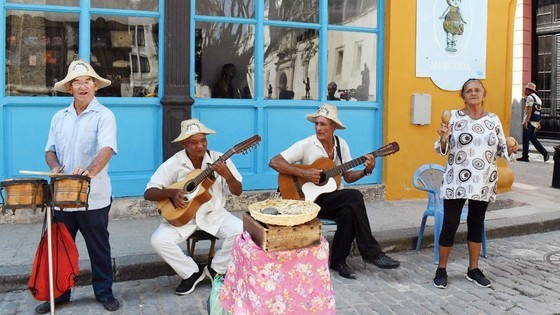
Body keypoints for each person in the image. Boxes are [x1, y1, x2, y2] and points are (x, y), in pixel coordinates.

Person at [269, 103, 400, 280]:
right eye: (316, 123)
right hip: (308, 201)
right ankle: (371, 253)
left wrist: (366, 170)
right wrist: (304, 173)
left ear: (334, 127)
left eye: (323, 124)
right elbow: (275, 162)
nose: (318, 128)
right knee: (354, 197)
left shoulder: (341, 145)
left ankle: (338, 261)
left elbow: (348, 177)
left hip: (332, 198)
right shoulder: (306, 144)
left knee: (348, 211)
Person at [38, 60, 119, 313]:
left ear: (95, 86)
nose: (82, 86)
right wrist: (54, 167)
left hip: (93, 196)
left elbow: (106, 149)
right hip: (63, 195)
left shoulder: (105, 115)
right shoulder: (59, 117)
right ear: (70, 88)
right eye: (77, 82)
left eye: (87, 81)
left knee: (98, 247)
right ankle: (60, 294)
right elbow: (50, 150)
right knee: (60, 249)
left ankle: (104, 293)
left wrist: (90, 171)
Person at [433, 79, 517, 289]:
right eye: (468, 90)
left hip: (483, 181)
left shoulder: (493, 120)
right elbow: (442, 149)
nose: (473, 93)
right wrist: (443, 138)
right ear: (463, 95)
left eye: (477, 90)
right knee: (450, 223)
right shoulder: (453, 117)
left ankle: (473, 269)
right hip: (456, 180)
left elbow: (501, 148)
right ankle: (441, 269)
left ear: (483, 94)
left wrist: (510, 150)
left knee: (476, 224)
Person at [144, 119, 243, 295]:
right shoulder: (174, 163)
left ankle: (216, 269)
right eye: (194, 142)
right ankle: (191, 272)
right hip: (184, 218)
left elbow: (237, 191)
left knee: (241, 230)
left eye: (203, 141)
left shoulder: (219, 160)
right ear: (184, 144)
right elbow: (149, 192)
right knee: (158, 240)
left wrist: (228, 176)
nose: (200, 146)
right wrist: (170, 193)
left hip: (215, 214)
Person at [517, 82, 549, 162]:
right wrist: (538, 122)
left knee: (526, 139)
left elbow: (529, 110)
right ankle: (544, 153)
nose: (524, 91)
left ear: (529, 90)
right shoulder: (538, 99)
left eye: (526, 89)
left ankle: (525, 156)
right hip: (534, 121)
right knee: (533, 139)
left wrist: (526, 121)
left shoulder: (530, 98)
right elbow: (539, 111)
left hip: (530, 121)